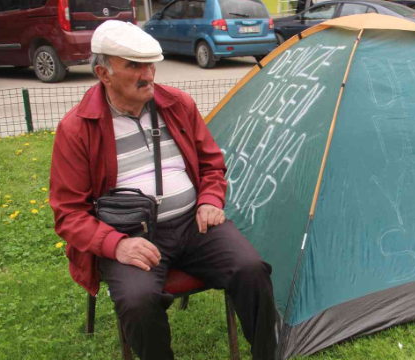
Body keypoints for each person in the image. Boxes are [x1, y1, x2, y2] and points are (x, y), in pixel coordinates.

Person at [49, 20, 277, 360]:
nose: (149, 75)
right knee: (138, 302)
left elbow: (212, 164)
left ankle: (267, 355)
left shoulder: (177, 104)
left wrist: (210, 199)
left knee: (252, 269)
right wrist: (117, 245)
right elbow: (68, 214)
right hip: (129, 236)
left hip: (192, 225)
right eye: (134, 67)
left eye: (151, 65)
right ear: (103, 73)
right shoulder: (77, 128)